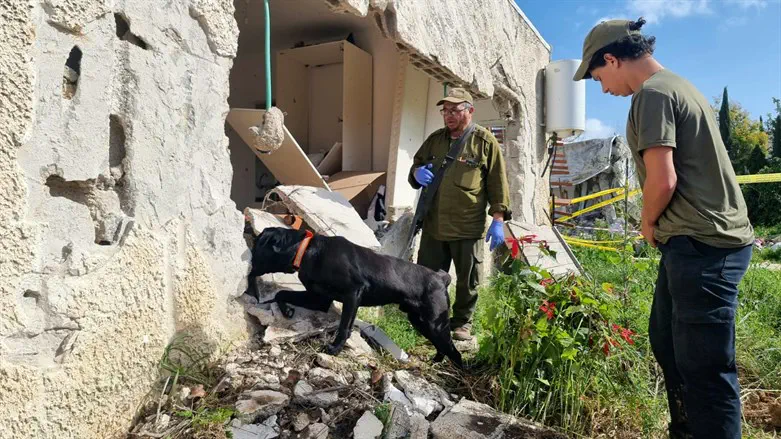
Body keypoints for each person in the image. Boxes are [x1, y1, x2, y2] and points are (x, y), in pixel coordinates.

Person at [573, 17, 754, 439]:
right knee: (668, 343)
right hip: (695, 244)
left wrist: (647, 222)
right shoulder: (677, 85)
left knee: (705, 370)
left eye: (599, 77)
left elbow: (663, 179)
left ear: (613, 59)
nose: (603, 90)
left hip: (704, 246)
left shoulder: (651, 95)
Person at [408, 87, 511, 342]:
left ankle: (462, 323)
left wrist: (498, 219)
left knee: (468, 280)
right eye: (445, 111)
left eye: (455, 110)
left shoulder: (485, 142)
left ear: (470, 111)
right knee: (428, 276)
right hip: (434, 224)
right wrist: (416, 173)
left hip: (467, 225)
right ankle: (431, 319)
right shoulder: (435, 140)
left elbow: (498, 182)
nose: (449, 115)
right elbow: (416, 165)